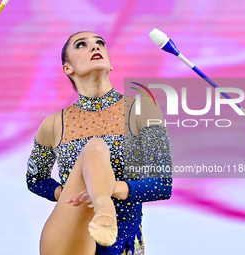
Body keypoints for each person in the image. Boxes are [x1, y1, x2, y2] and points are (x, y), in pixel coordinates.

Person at [26, 31, 173, 255]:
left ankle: (104, 204)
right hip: (68, 237)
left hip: (120, 241)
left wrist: (109, 188)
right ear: (68, 68)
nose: (95, 47)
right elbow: (35, 179)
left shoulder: (142, 111)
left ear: (111, 63)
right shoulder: (54, 124)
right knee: (95, 147)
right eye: (81, 45)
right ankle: (103, 207)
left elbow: (162, 184)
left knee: (96, 148)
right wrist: (67, 193)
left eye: (100, 43)